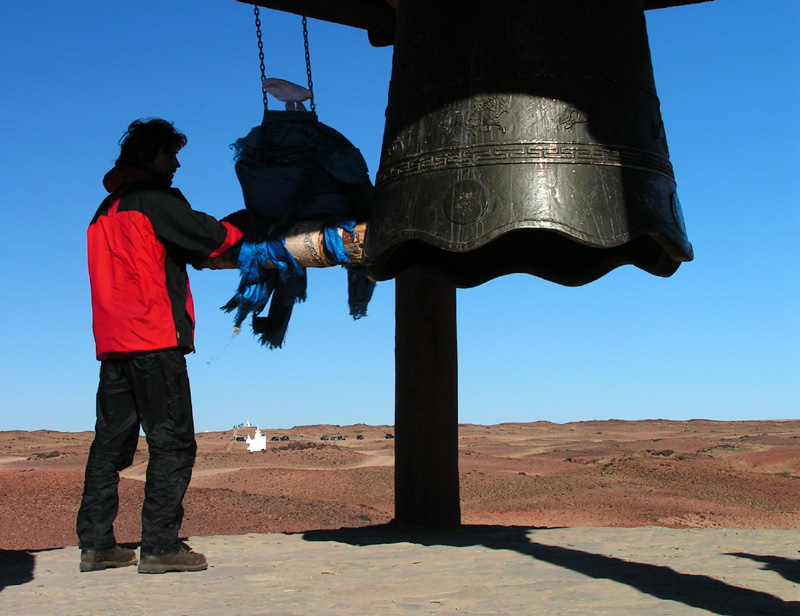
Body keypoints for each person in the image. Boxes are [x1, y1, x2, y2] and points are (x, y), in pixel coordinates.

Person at [77, 118, 246, 574]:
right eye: (169, 155)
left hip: (113, 346)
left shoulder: (103, 210)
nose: (174, 164)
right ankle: (159, 546)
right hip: (153, 340)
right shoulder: (155, 201)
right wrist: (248, 228)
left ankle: (95, 545)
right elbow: (209, 239)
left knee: (109, 446)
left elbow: (171, 248)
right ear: (149, 155)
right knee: (173, 444)